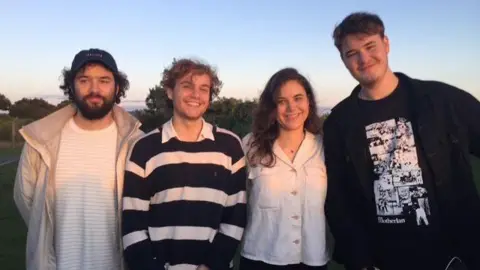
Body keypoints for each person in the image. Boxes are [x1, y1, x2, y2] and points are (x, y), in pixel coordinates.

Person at [323, 11, 480, 270]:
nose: (363, 58)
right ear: (343, 61)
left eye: (370, 46)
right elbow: (338, 200)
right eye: (352, 53)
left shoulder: (442, 100)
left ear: (386, 44)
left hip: (454, 257)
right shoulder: (339, 123)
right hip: (383, 259)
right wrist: (359, 259)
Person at [13, 48, 144, 270]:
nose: (95, 89)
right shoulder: (41, 141)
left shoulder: (136, 143)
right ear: (72, 87)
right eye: (84, 80)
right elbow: (28, 202)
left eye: (104, 80)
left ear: (117, 87)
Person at [121, 58, 247, 270]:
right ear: (170, 91)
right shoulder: (144, 147)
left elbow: (235, 217)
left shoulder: (230, 146)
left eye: (204, 88)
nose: (196, 95)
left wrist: (212, 265)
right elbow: (132, 222)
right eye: (187, 86)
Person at [239, 67, 330, 270]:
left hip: (311, 257)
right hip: (261, 257)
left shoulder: (324, 147)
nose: (291, 108)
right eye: (282, 101)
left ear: (308, 101)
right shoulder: (250, 146)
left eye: (298, 98)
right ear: (271, 108)